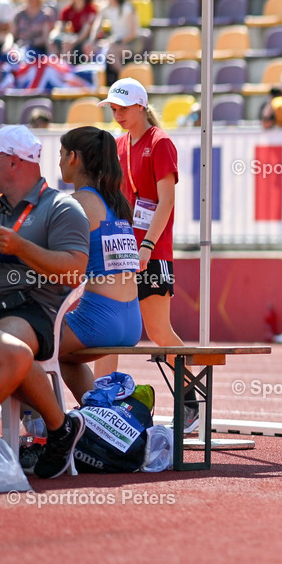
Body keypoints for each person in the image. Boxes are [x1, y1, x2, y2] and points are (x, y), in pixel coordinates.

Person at [0, 124, 89, 478]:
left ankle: (57, 430)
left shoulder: (62, 208)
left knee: (11, 343)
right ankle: (61, 428)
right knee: (5, 344)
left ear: (13, 162)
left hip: (34, 309)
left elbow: (74, 272)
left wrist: (21, 247)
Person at [94, 79, 191, 430]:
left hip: (152, 250)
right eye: (113, 109)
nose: (117, 114)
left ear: (140, 106)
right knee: (109, 330)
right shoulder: (118, 145)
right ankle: (96, 406)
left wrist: (147, 246)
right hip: (122, 252)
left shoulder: (160, 142)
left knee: (158, 331)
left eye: (122, 108)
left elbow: (166, 201)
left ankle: (190, 400)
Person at [55, 127, 142, 400]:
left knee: (27, 346)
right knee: (67, 358)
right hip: (132, 323)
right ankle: (101, 416)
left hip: (100, 321)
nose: (57, 162)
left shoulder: (77, 203)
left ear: (73, 157)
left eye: (60, 154)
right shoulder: (118, 204)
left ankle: (42, 421)